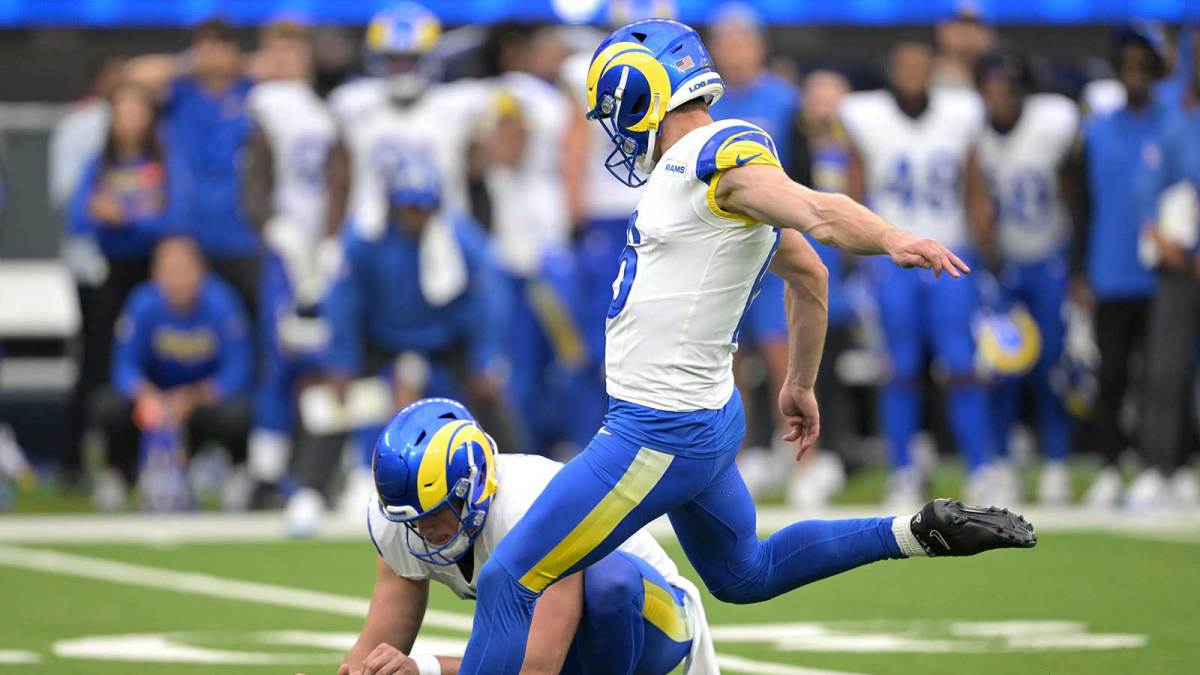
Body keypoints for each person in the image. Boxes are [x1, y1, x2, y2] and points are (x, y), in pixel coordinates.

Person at [454, 20, 1035, 675]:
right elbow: (808, 274)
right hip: (706, 418)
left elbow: (817, 212)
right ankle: (915, 532)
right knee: (743, 573)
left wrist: (891, 237)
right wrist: (799, 383)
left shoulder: (716, 158)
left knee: (510, 577)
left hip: (657, 431)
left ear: (644, 91)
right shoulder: (705, 174)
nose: (614, 127)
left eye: (616, 107)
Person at [339, 397, 715, 675]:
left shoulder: (529, 506)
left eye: (435, 513)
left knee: (606, 581)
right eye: (414, 520)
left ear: (473, 485)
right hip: (571, 642)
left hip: (655, 620)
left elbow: (536, 668)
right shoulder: (399, 523)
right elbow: (373, 651)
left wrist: (426, 668)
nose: (424, 531)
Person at [306, 154, 518, 519]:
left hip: (443, 338)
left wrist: (484, 359)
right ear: (391, 204)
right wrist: (341, 359)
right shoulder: (365, 236)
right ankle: (309, 489)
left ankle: (511, 477)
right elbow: (343, 298)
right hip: (381, 336)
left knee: (490, 398)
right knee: (335, 400)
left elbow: (489, 296)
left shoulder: (459, 237)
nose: (413, 215)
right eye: (406, 206)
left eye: (422, 207)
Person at [840, 40, 995, 507]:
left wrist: (987, 252)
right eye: (905, 66)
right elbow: (854, 191)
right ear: (891, 71)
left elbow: (973, 186)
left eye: (921, 66)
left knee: (963, 366)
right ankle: (904, 471)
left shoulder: (961, 114)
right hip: (894, 259)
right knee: (900, 369)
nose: (913, 74)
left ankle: (981, 469)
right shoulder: (865, 117)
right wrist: (858, 255)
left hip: (950, 253)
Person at [65, 81, 189, 498]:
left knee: (153, 363)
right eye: (123, 112)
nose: (131, 120)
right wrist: (134, 214)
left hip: (155, 275)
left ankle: (158, 464)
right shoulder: (99, 164)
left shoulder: (164, 160)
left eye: (139, 111)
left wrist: (122, 215)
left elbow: (172, 217)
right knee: (101, 367)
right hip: (109, 277)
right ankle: (102, 465)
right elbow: (79, 218)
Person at [704, 2, 803, 497]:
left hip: (774, 237)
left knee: (783, 349)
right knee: (728, 356)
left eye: (743, 42)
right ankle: (737, 456)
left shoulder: (783, 99)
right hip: (722, 244)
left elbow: (803, 170)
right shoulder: (705, 103)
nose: (736, 52)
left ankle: (803, 458)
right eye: (727, 43)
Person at [241, 19, 342, 497]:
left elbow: (342, 175)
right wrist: (271, 226)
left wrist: (334, 239)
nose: (284, 61)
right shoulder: (260, 104)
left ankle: (323, 470)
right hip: (283, 253)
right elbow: (253, 178)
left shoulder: (329, 108)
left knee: (331, 361)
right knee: (280, 357)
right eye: (275, 51)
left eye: (292, 51)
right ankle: (266, 471)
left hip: (325, 254)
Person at [974, 52, 1079, 505]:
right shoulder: (973, 133)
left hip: (1049, 259)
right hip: (1002, 266)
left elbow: (1073, 192)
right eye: (991, 88)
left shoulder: (1051, 123)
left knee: (1053, 365)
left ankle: (1056, 462)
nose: (1000, 97)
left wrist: (1077, 265)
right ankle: (1001, 461)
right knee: (1001, 368)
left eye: (1008, 88)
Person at [1074, 27, 1171, 507]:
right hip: (1109, 270)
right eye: (1126, 65)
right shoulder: (1096, 130)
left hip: (1165, 274)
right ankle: (1110, 466)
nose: (1135, 74)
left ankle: (1166, 466)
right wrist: (1079, 270)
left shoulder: (1175, 123)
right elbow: (1081, 206)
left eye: (1142, 65)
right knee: (1110, 376)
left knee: (1164, 378)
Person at [90, 236, 253, 510]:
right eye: (170, 270)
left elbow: (237, 369)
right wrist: (148, 394)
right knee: (108, 406)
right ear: (156, 274)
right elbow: (124, 366)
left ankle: (233, 472)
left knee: (239, 413)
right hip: (154, 402)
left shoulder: (222, 303)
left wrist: (192, 398)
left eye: (185, 269)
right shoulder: (142, 304)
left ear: (201, 271)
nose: (178, 280)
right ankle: (118, 473)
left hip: (201, 403)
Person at [127, 18, 262, 316]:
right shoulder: (180, 92)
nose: (212, 55)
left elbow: (284, 67)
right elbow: (134, 74)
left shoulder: (250, 91)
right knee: (179, 321)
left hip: (240, 232)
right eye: (204, 47)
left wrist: (240, 64)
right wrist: (188, 64)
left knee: (248, 316)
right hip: (186, 231)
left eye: (220, 46)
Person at [1127, 46, 1200, 510]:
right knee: (1166, 369)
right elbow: (1146, 187)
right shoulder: (1173, 117)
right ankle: (1160, 467)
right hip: (1178, 265)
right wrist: (1160, 235)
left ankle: (1185, 465)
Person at [785, 69, 855, 507]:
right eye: (817, 96)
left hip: (851, 271)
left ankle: (843, 450)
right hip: (811, 265)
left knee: (843, 366)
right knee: (812, 364)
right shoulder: (794, 147)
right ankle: (811, 456)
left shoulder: (856, 146)